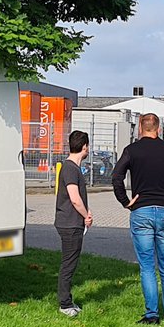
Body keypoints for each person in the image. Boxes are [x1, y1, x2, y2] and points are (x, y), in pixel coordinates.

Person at [111, 114, 164, 324]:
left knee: (147, 266)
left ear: (141, 128)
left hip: (141, 212)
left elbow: (116, 177)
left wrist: (125, 201)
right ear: (158, 129)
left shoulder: (132, 151)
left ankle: (152, 315)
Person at [52, 131, 96, 316]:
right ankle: (65, 304)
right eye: (88, 146)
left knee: (70, 262)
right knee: (69, 264)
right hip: (70, 223)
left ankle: (67, 300)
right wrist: (86, 215)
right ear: (84, 146)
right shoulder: (70, 168)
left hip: (71, 222)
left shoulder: (71, 167)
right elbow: (75, 198)